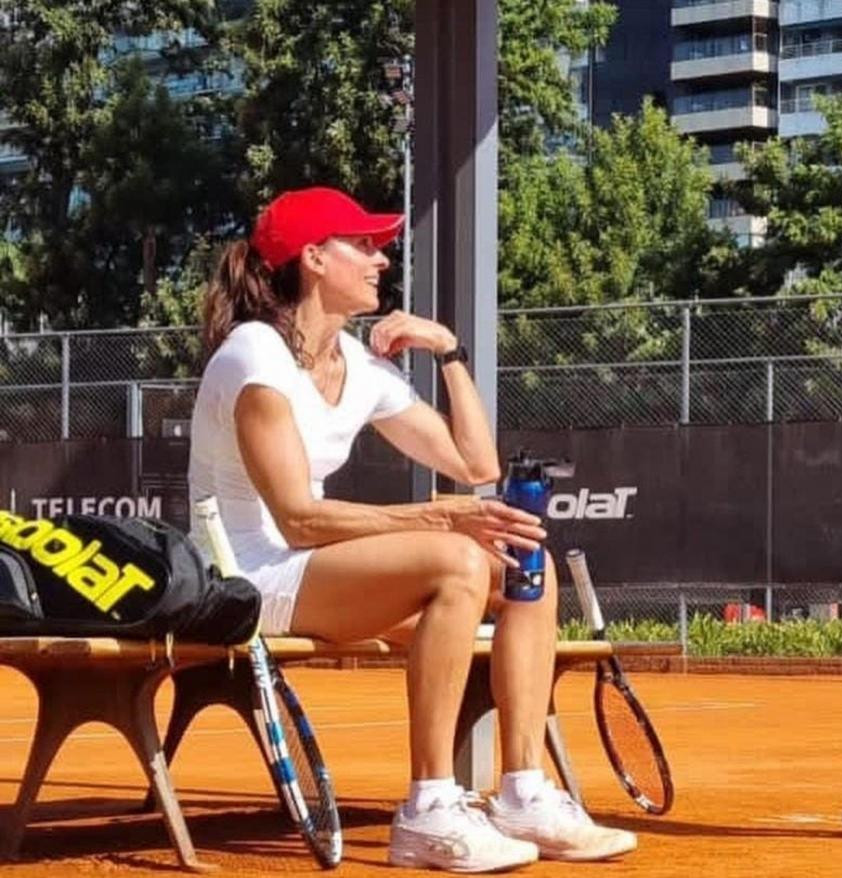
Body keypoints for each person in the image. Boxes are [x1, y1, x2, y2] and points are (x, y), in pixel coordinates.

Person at [187, 186, 636, 872]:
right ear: (312, 258)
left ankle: (523, 791)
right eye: (361, 244)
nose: (380, 257)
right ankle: (429, 807)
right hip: (242, 579)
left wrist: (447, 351)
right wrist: (442, 514)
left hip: (306, 570)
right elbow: (298, 520)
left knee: (522, 564)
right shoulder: (255, 357)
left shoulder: (358, 366)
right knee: (458, 560)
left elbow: (475, 463)